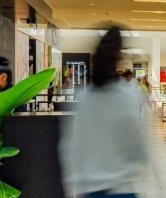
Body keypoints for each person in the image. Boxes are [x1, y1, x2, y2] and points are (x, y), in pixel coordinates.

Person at [60, 27, 149, 198]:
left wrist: (75, 184)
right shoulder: (124, 98)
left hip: (90, 190)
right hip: (121, 189)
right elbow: (138, 149)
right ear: (119, 58)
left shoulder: (84, 99)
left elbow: (71, 147)